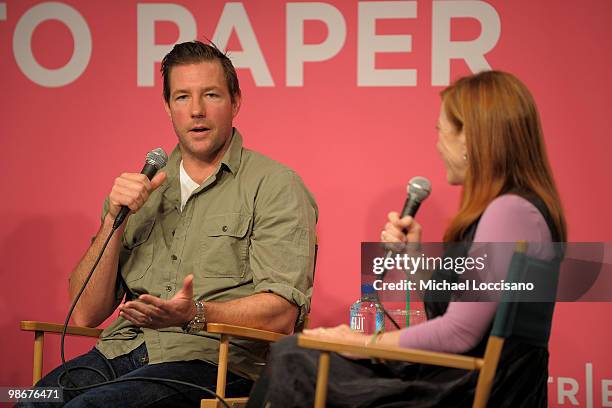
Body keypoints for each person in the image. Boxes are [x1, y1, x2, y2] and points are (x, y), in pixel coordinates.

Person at [20, 41, 318, 407]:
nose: (196, 110)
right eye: (181, 97)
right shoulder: (139, 189)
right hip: (119, 352)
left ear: (236, 102)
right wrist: (115, 216)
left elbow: (281, 313)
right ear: (167, 107)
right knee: (30, 399)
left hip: (212, 363)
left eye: (210, 94)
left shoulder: (274, 185)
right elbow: (85, 312)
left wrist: (195, 314)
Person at [247, 70, 566, 407]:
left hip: (468, 391)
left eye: (440, 131)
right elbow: (464, 314)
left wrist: (364, 341)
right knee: (297, 354)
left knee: (294, 357)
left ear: (470, 139)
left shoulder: (509, 212)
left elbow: (459, 332)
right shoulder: (516, 210)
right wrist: (414, 257)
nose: (437, 144)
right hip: (463, 379)